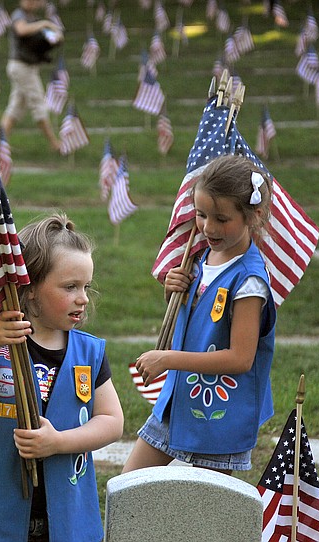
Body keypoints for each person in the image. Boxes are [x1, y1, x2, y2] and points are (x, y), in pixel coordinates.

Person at [0, 213, 123, 542]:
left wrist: (58, 442)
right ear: (30, 288)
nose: (83, 297)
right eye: (70, 287)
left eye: (86, 287)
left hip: (64, 517)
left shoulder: (89, 353)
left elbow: (112, 421)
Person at [123, 154, 277, 476]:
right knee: (129, 488)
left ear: (254, 215)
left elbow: (240, 359)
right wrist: (176, 293)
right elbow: (203, 316)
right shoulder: (203, 256)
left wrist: (168, 359)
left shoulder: (249, 281)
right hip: (176, 404)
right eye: (201, 214)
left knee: (206, 514)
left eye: (221, 219)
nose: (208, 227)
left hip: (219, 418)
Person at [0, 0, 63, 153]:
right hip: (21, 66)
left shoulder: (32, 18)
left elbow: (46, 38)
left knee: (16, 107)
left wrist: (54, 37)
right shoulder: (19, 15)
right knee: (38, 103)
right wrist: (44, 24)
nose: (32, 2)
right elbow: (21, 30)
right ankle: (54, 144)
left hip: (28, 66)